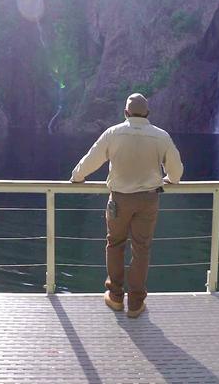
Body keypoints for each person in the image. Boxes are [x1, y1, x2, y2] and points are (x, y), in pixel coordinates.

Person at [70, 93, 183, 318]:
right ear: (148, 114)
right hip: (149, 199)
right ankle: (136, 304)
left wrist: (77, 177)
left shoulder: (113, 133)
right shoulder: (161, 136)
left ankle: (115, 297)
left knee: (115, 244)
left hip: (119, 200)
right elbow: (176, 173)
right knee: (141, 249)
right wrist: (170, 179)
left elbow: (90, 160)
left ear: (125, 113)